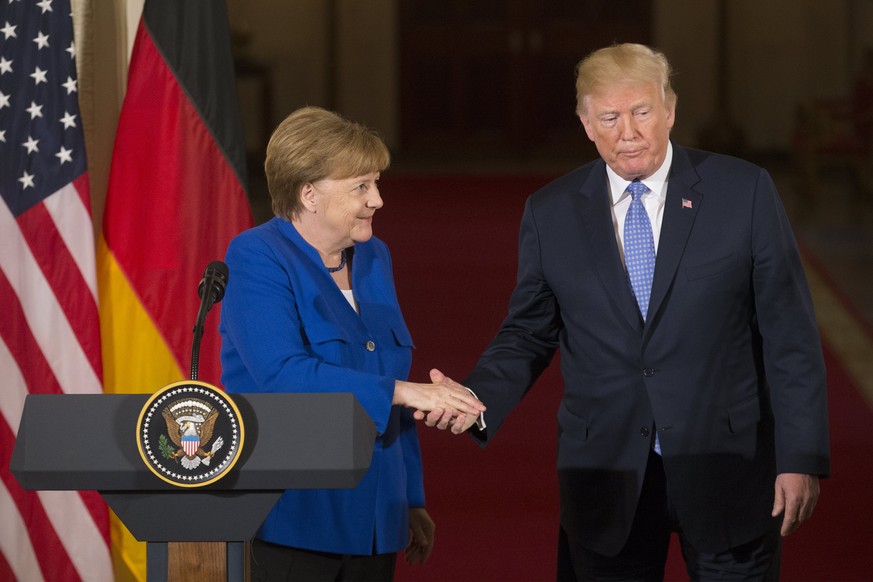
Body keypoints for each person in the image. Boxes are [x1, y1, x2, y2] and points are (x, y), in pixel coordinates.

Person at [423, 43, 830, 580]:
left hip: (726, 467)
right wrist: (476, 398)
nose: (628, 132)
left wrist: (800, 456)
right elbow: (527, 333)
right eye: (609, 117)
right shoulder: (550, 212)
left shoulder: (743, 191)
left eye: (641, 112)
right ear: (586, 123)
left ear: (670, 110)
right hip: (606, 474)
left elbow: (789, 334)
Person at [219, 106, 486, 581]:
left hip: (376, 520)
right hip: (293, 520)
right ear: (309, 194)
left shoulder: (373, 256)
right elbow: (282, 375)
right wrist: (408, 392)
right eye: (361, 186)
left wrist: (410, 499)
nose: (378, 199)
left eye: (377, 182)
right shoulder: (256, 257)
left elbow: (387, 377)